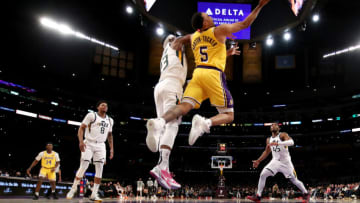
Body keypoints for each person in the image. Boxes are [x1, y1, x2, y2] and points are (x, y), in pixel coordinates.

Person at [146, 0, 270, 154]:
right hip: (213, 74)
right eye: (208, 16)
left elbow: (209, 52)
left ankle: (160, 121)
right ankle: (205, 122)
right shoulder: (219, 30)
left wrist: (226, 53)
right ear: (204, 23)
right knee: (229, 116)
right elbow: (245, 24)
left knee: (184, 107)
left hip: (198, 74)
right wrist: (260, 6)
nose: (211, 17)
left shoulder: (194, 37)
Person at [147, 33, 240, 189]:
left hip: (161, 87)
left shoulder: (173, 58)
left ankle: (163, 163)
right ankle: (162, 166)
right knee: (173, 125)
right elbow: (181, 40)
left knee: (166, 125)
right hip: (172, 87)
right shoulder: (172, 46)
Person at [246, 123, 310, 203]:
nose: (273, 125)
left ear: (279, 128)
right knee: (263, 174)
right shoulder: (268, 139)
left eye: (275, 124)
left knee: (294, 180)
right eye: (271, 125)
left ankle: (306, 193)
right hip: (275, 161)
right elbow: (266, 152)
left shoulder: (282, 135)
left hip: (286, 162)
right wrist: (258, 161)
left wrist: (279, 143)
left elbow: (292, 142)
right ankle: (258, 196)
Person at [66, 100, 114, 201]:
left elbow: (110, 136)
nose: (105, 106)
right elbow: (81, 128)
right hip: (89, 143)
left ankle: (94, 194)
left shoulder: (110, 120)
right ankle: (73, 188)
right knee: (84, 166)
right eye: (102, 105)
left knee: (100, 170)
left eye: (106, 105)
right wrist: (80, 142)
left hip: (101, 145)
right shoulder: (92, 115)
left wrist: (111, 149)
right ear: (98, 107)